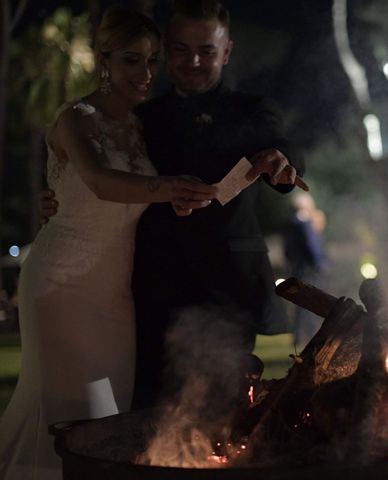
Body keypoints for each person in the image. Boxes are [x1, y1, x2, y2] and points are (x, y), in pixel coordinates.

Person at [41, 0, 306, 410]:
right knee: (145, 415)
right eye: (181, 49)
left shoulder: (251, 111)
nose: (193, 61)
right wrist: (60, 199)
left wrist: (282, 163)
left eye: (207, 51)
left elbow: (280, 146)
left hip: (227, 291)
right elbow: (101, 171)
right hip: (150, 288)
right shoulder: (142, 117)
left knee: (223, 416)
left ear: (227, 51)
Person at [0, 7, 219, 479]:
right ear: (104, 60)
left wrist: (174, 200)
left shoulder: (138, 129)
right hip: (61, 287)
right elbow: (100, 182)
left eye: (152, 60)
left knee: (110, 415)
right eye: (131, 60)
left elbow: (132, 198)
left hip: (114, 295)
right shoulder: (75, 118)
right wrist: (170, 187)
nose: (145, 74)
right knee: (71, 415)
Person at [283, 192, 329, 350]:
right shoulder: (303, 222)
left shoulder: (290, 222)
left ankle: (299, 336)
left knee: (300, 305)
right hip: (308, 268)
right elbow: (312, 245)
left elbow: (288, 249)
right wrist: (320, 263)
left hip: (297, 267)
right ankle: (309, 335)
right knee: (310, 302)